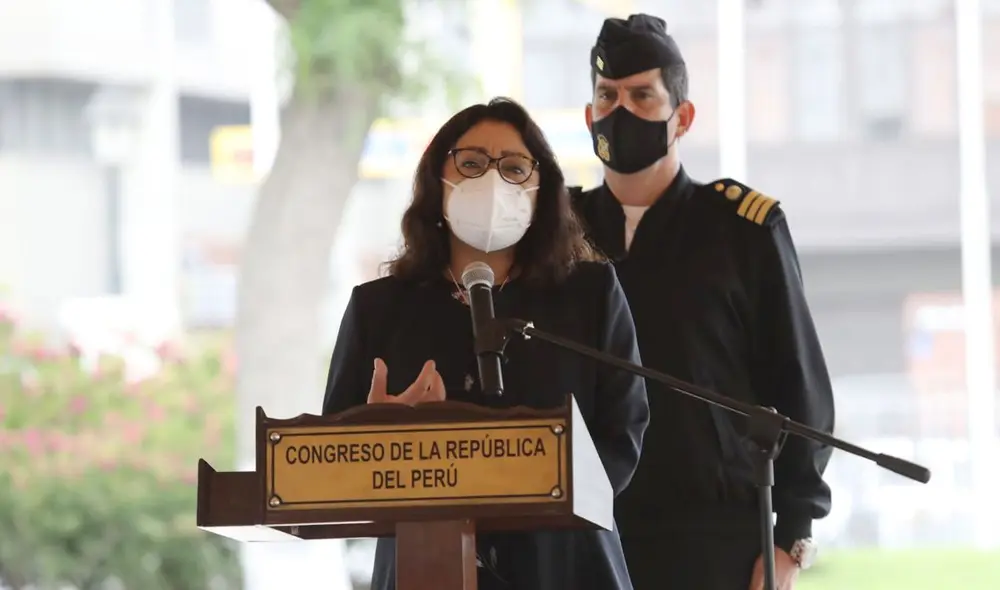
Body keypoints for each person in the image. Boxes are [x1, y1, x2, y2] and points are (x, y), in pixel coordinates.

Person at [322, 97, 649, 590]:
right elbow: (328, 464)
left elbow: (622, 436)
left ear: (542, 193)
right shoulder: (379, 307)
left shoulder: (590, 294)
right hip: (420, 567)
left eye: (515, 168)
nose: (492, 181)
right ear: (439, 181)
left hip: (567, 566)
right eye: (471, 164)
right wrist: (375, 433)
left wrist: (530, 483)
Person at [568, 14, 836, 590]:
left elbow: (799, 384)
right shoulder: (559, 234)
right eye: (607, 96)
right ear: (589, 115)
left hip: (715, 537)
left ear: (682, 116)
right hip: (582, 531)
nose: (621, 110)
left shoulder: (742, 230)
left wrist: (792, 533)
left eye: (642, 95)